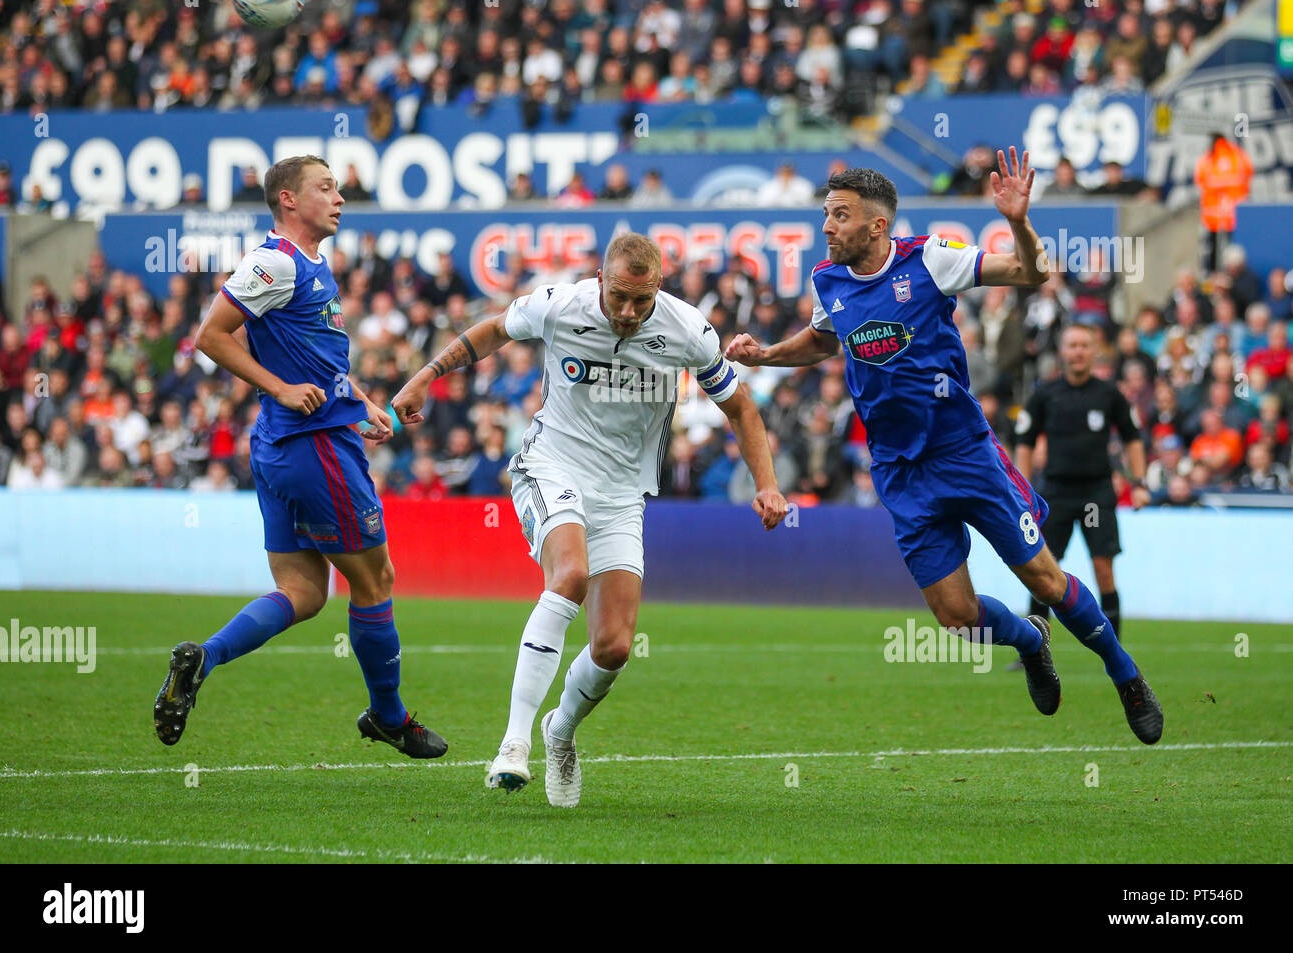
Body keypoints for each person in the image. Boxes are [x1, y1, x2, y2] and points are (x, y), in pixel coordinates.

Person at [726, 153, 1163, 744]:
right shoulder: (827, 282)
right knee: (955, 615)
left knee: (1044, 579)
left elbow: (1029, 273)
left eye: (840, 215)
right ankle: (1031, 642)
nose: (826, 226)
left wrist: (1019, 222)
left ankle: (1126, 675)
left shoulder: (931, 260)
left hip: (963, 454)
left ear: (877, 226)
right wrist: (769, 354)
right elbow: (824, 340)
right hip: (899, 473)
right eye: (826, 214)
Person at [391, 232, 789, 806]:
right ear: (601, 280)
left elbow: (740, 407)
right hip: (551, 465)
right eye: (620, 297)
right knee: (570, 575)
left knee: (613, 647)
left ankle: (560, 731)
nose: (629, 313)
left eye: (642, 301)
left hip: (624, 493)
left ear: (659, 287)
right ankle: (513, 743)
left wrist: (768, 483)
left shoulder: (688, 330)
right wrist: (426, 375)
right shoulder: (560, 303)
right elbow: (494, 331)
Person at [154, 155, 446, 760]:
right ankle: (390, 716)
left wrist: (361, 400)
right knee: (376, 579)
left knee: (303, 591)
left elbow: (318, 358)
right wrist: (282, 388)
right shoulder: (275, 263)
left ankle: (202, 658)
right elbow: (210, 335)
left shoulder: (310, 264)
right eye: (326, 188)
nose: (339, 198)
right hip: (314, 446)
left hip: (286, 444)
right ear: (288, 199)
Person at [1013, 324, 1149, 643]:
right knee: (1043, 572)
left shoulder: (1109, 394)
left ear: (1094, 352)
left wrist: (1139, 482)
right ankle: (1037, 648)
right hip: (1056, 493)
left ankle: (1114, 649)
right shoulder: (1045, 394)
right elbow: (1024, 442)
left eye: (1084, 346)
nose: (1078, 352)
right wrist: (1022, 489)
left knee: (1103, 568)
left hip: (1095, 494)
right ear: (1062, 352)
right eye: (1072, 345)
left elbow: (1133, 438)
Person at [1194, 134, 1253, 274]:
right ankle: (1229, 273)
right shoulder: (1237, 154)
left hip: (1215, 211)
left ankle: (1212, 272)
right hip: (1233, 211)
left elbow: (1200, 178)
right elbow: (1249, 172)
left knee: (1213, 245)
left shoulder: (1209, 157)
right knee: (1230, 246)